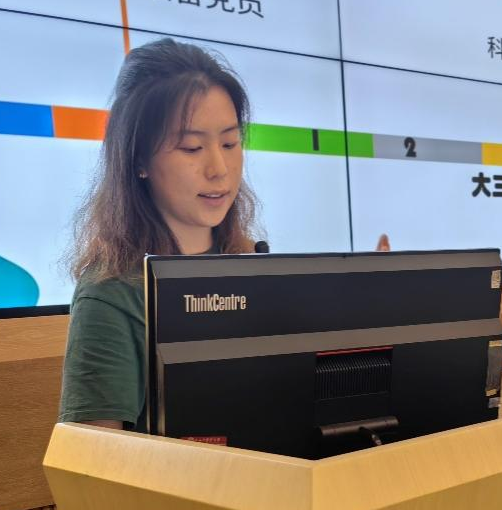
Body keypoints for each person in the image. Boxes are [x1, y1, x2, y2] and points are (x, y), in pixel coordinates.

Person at [58, 37, 388, 431]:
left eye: (230, 143)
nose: (220, 169)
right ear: (139, 159)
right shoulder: (113, 294)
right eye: (191, 148)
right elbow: (95, 459)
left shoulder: (251, 264)